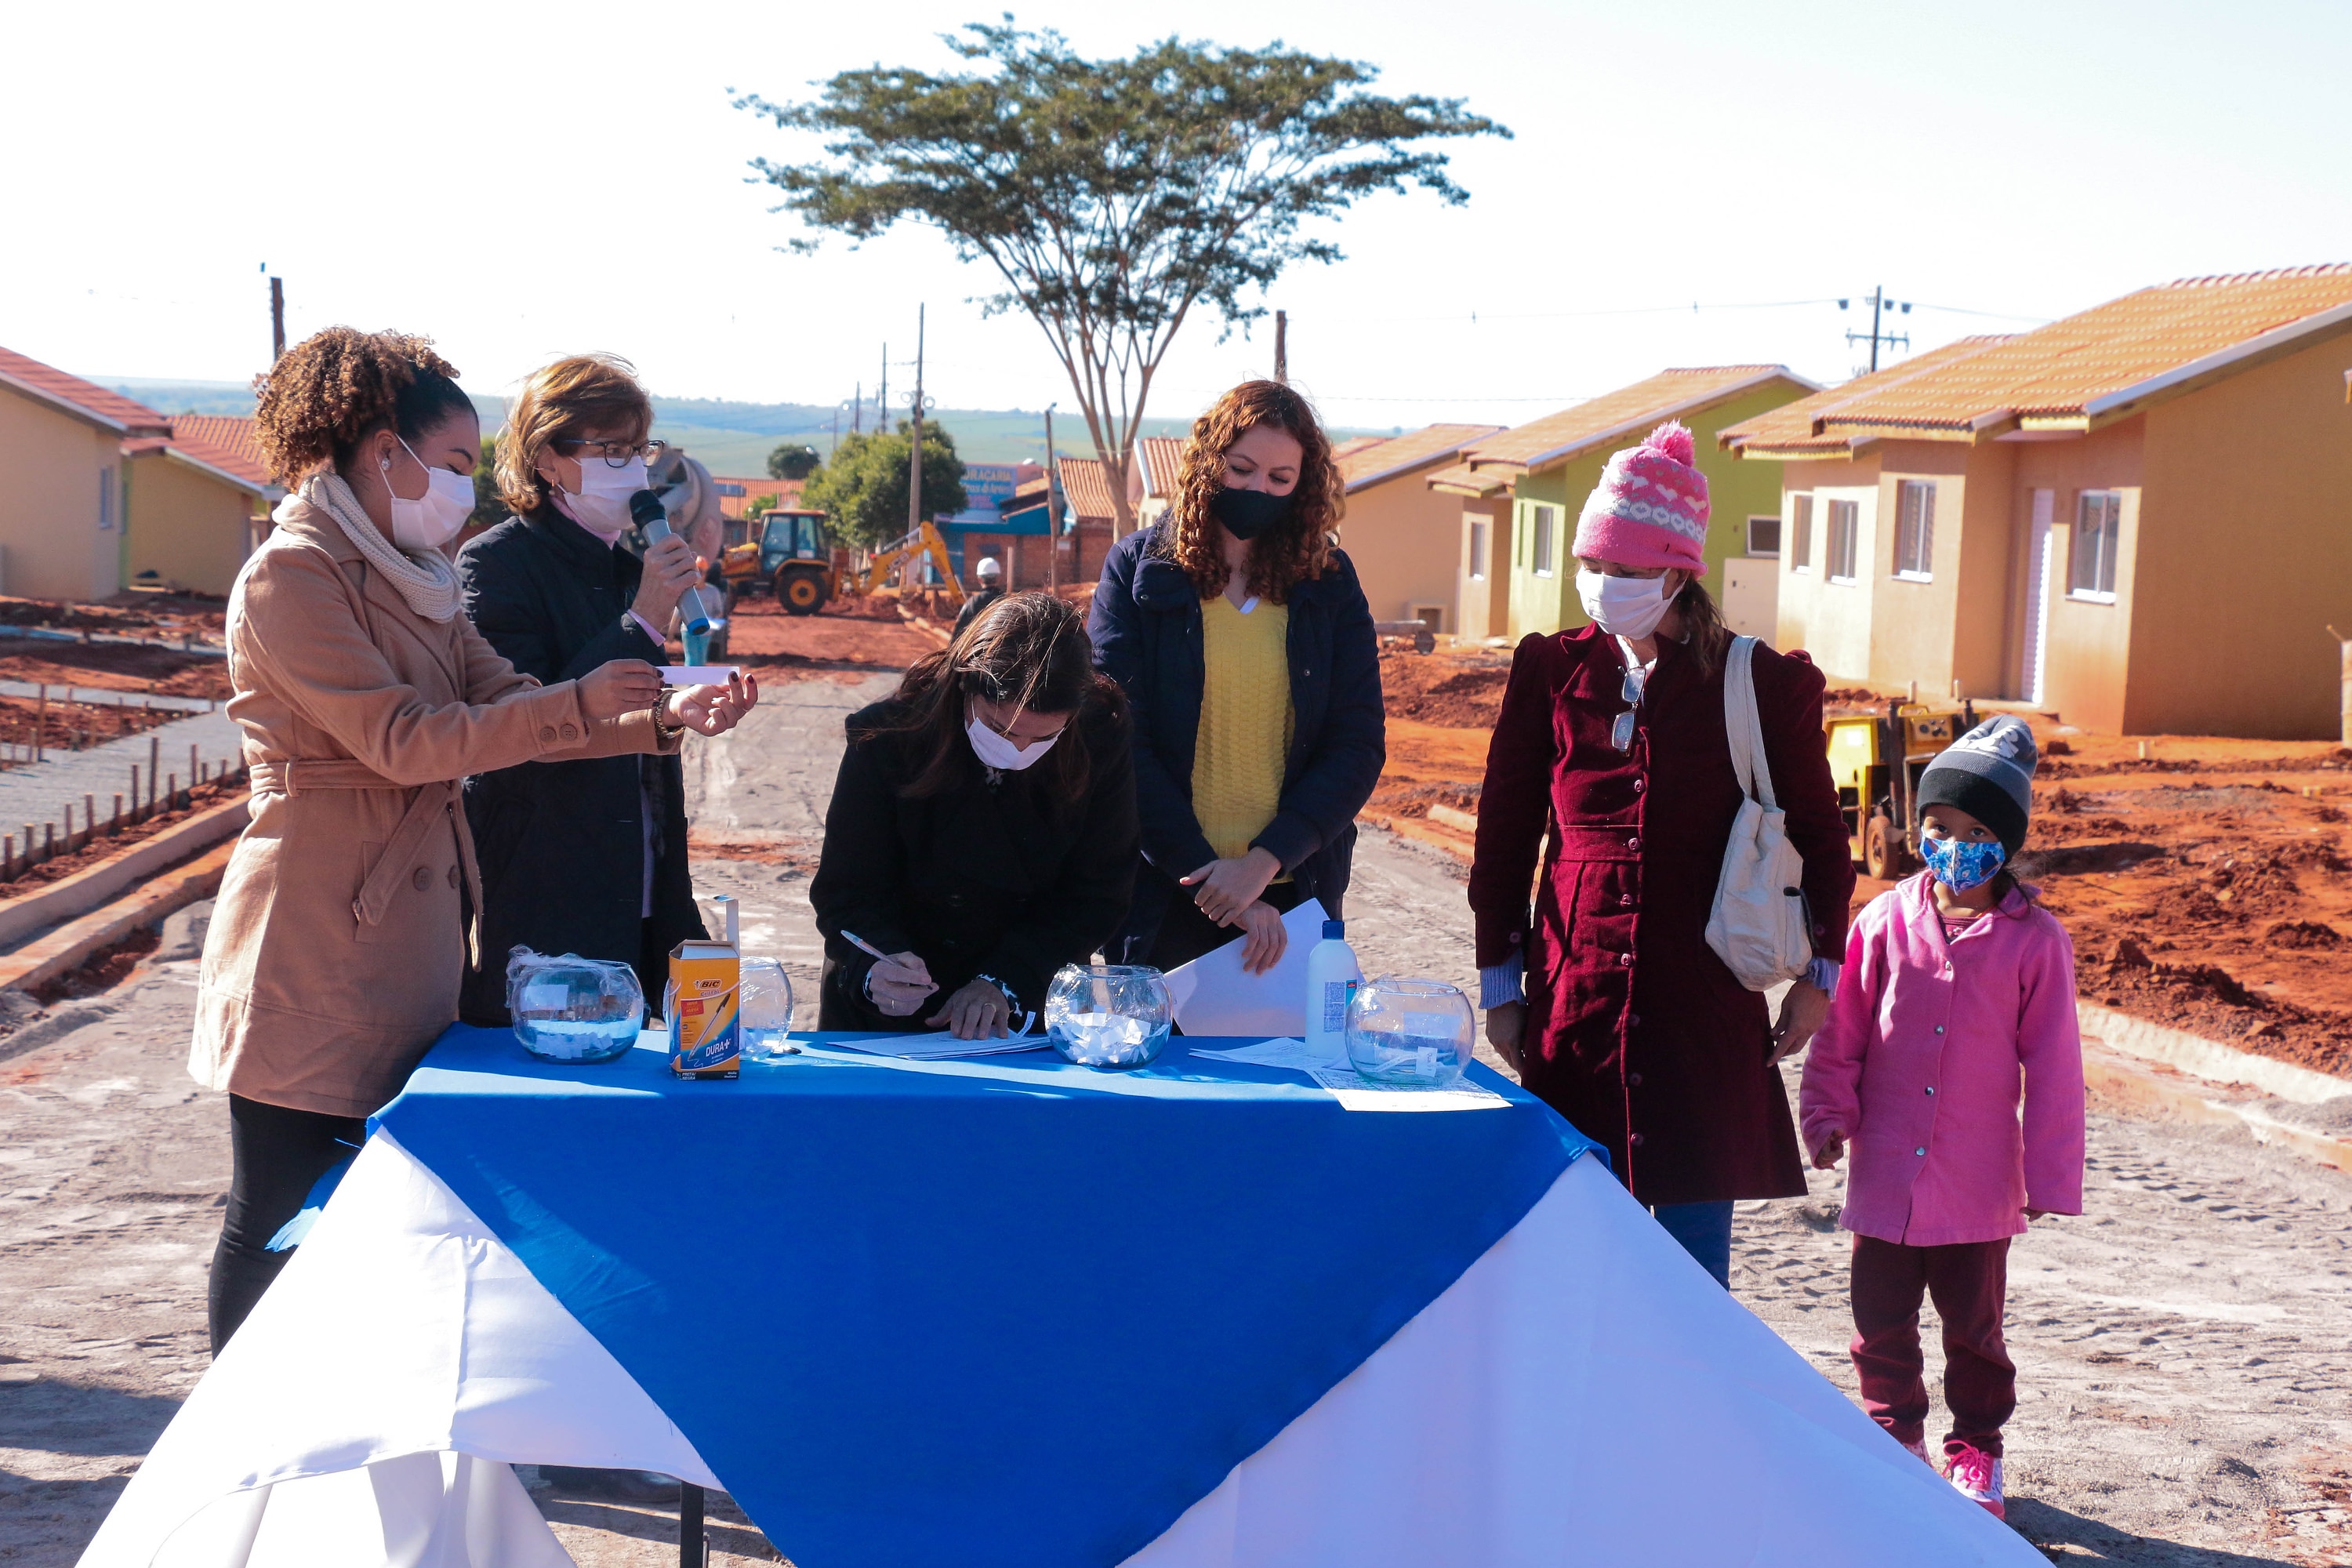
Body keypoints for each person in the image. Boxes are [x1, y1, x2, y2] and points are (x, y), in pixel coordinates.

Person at [193, 328, 678, 1352]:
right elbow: (405, 742)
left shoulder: (417, 576)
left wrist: (657, 720)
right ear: (384, 452)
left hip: (409, 939)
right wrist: (583, 700)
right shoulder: (294, 580)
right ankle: (248, 1455)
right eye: (455, 466)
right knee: (279, 1216)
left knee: (373, 1218)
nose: (468, 489)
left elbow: (512, 702)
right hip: (318, 935)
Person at [1467, 421, 1853, 1289]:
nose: (1606, 586)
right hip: (1575, 1011)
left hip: (1701, 1017)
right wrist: (1502, 986)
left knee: (1689, 1291)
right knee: (1572, 1273)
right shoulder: (1550, 671)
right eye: (1594, 565)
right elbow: (1503, 839)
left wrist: (1819, 977)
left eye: (1630, 570)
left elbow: (1826, 839)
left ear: (1679, 573)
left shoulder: (1760, 683)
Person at [1801, 717, 2083, 1519]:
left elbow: (2056, 1068)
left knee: (1975, 1334)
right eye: (1939, 827)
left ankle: (1975, 1453)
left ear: (2008, 840)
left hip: (1979, 1186)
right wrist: (1826, 1111)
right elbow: (1843, 1031)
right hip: (1886, 1172)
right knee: (1879, 1324)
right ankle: (1894, 1439)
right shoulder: (1883, 923)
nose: (1955, 843)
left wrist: (2047, 1175)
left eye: (1977, 830)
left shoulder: (2035, 943)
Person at [456, 356, 758, 1023]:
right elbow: (525, 722)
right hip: (548, 880)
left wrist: (680, 712)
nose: (632, 468)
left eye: (636, 449)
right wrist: (647, 613)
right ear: (547, 459)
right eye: (609, 450)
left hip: (645, 873)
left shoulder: (627, 565)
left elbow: (635, 705)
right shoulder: (495, 565)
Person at [1087, 380, 1383, 978]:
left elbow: (1357, 744)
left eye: (1280, 479)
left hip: (1292, 894)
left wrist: (1261, 866)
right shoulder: (1136, 570)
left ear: (1304, 485)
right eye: (1242, 468)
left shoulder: (1329, 582)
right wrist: (1207, 875)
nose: (1257, 489)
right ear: (1207, 463)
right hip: (1159, 892)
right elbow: (1115, 738)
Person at [811, 593, 1138, 1037]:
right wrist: (876, 964)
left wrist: (1004, 981)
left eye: (1043, 736)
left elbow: (1099, 891)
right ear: (965, 685)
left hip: (1021, 1003)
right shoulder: (887, 737)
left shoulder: (1099, 735)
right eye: (1000, 728)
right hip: (887, 1012)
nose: (1018, 749)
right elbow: (845, 890)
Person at [952, 554, 1005, 636]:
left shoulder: (972, 604)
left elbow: (957, 635)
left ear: (979, 579)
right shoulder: (1008, 602)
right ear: (999, 578)